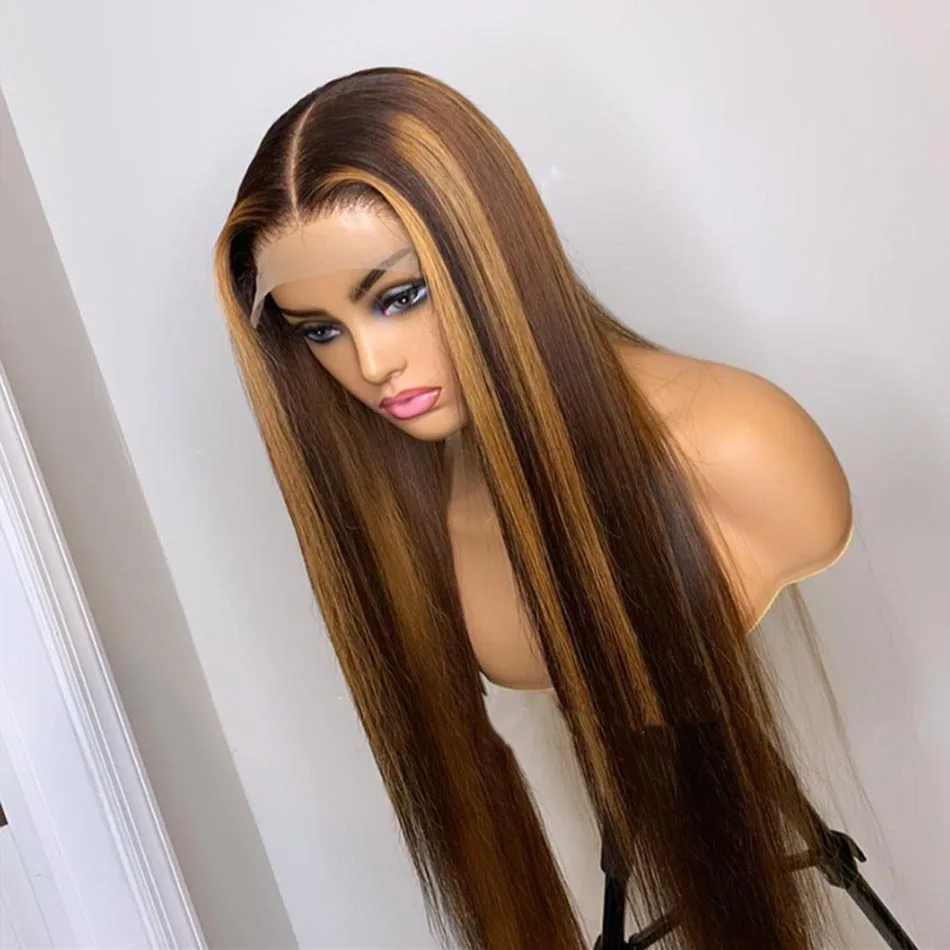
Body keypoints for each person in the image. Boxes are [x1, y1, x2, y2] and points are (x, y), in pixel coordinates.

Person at [214, 66, 854, 950]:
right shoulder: (428, 533)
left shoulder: (738, 445)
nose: (370, 364)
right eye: (320, 330)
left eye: (400, 298)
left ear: (496, 255)